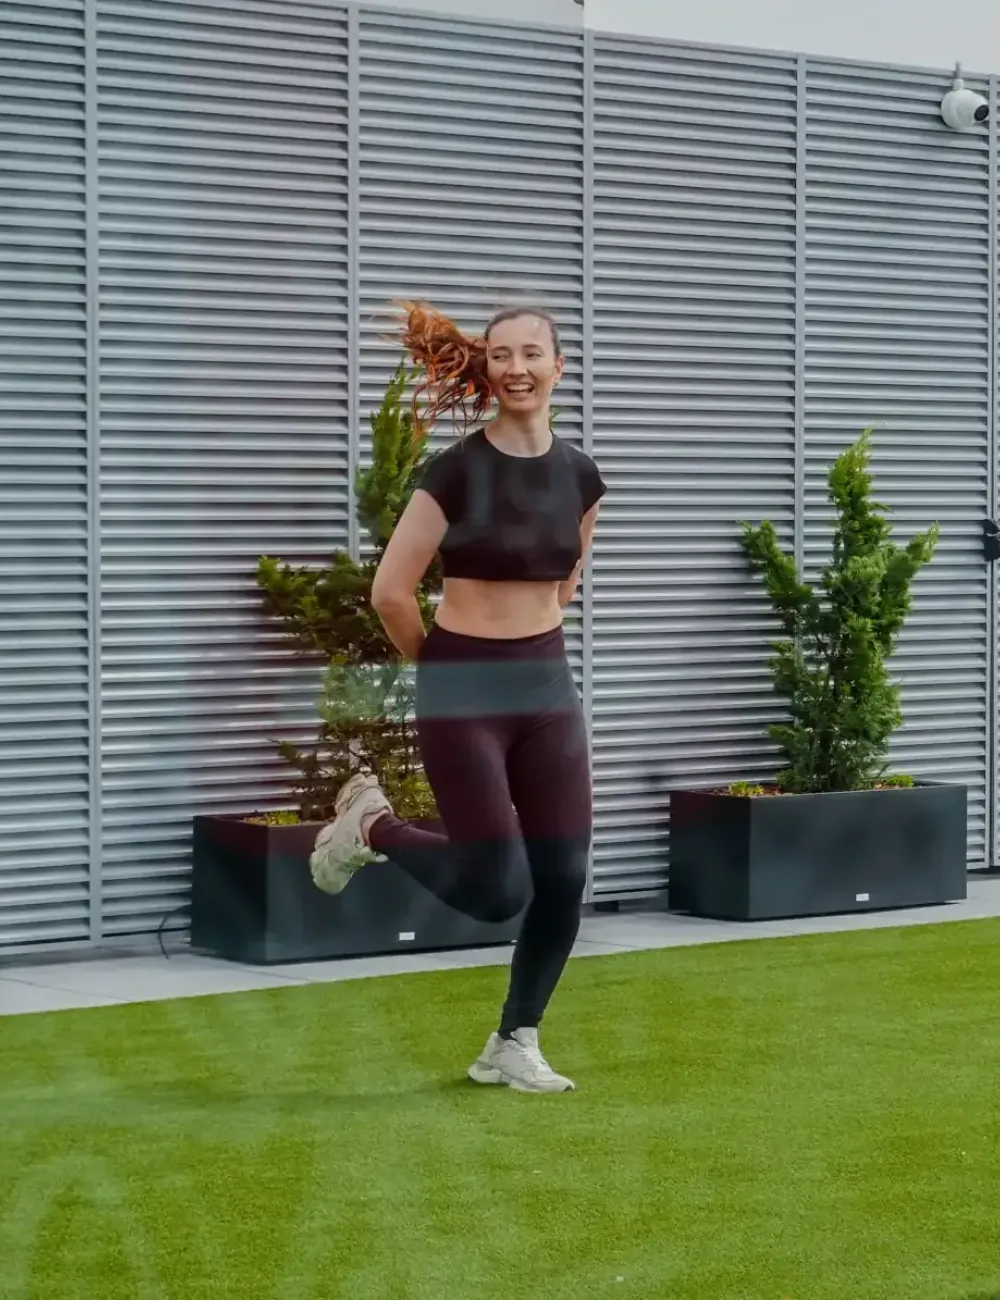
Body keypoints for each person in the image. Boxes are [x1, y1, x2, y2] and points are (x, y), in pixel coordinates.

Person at [310, 301, 606, 1093]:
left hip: (546, 684)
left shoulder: (583, 475)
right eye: (502, 355)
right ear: (486, 367)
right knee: (495, 889)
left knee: (565, 875)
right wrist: (444, 671)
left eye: (532, 354)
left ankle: (515, 1040)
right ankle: (372, 822)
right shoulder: (455, 471)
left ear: (557, 367)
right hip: (463, 685)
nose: (517, 368)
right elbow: (390, 593)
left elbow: (566, 579)